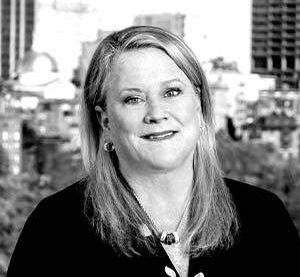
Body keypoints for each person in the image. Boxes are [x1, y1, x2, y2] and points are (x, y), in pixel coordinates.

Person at [6, 26, 300, 277]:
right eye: (133, 99)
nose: (156, 113)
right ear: (104, 120)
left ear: (198, 105)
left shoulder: (264, 217)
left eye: (172, 92)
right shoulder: (55, 230)